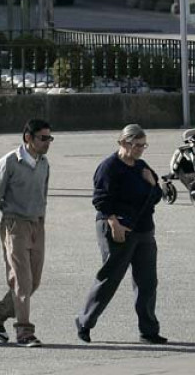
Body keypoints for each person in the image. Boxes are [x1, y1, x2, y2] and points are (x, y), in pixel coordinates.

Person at [75, 124, 167, 345]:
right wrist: (114, 223)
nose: (140, 150)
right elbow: (101, 200)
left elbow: (155, 196)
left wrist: (153, 184)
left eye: (143, 146)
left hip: (144, 229)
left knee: (147, 282)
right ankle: (84, 321)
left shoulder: (142, 166)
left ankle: (148, 330)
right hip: (118, 226)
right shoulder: (109, 167)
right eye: (136, 145)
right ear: (123, 143)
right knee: (110, 276)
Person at [0, 119, 52, 348]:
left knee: (34, 282)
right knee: (22, 281)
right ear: (28, 138)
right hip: (14, 225)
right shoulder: (9, 162)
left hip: (36, 225)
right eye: (43, 138)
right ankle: (24, 332)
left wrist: (41, 221)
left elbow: (43, 195)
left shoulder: (44, 164)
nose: (47, 143)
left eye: (49, 138)